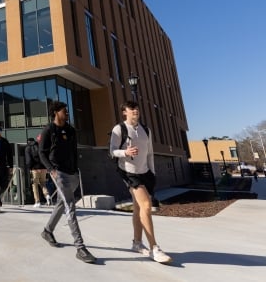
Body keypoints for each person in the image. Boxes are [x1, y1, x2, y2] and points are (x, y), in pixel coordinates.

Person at [109, 100, 172, 264]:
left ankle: (137, 243)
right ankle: (154, 248)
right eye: (131, 108)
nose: (135, 110)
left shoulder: (146, 130)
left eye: (136, 108)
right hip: (129, 172)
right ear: (125, 112)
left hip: (146, 172)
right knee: (146, 206)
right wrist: (125, 152)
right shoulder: (119, 129)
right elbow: (112, 151)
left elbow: (150, 153)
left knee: (138, 208)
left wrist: (152, 172)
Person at [38, 101, 97, 264]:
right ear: (56, 112)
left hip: (72, 173)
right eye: (64, 110)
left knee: (61, 204)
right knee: (70, 206)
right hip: (59, 173)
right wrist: (51, 170)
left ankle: (47, 231)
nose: (67, 112)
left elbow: (73, 151)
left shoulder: (71, 130)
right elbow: (41, 153)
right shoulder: (48, 130)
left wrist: (76, 170)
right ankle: (80, 248)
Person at [25, 135, 50, 207]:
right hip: (43, 168)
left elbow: (29, 160)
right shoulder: (40, 146)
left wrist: (29, 168)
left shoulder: (28, 148)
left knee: (34, 185)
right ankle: (47, 195)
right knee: (43, 183)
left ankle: (37, 202)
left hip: (35, 169)